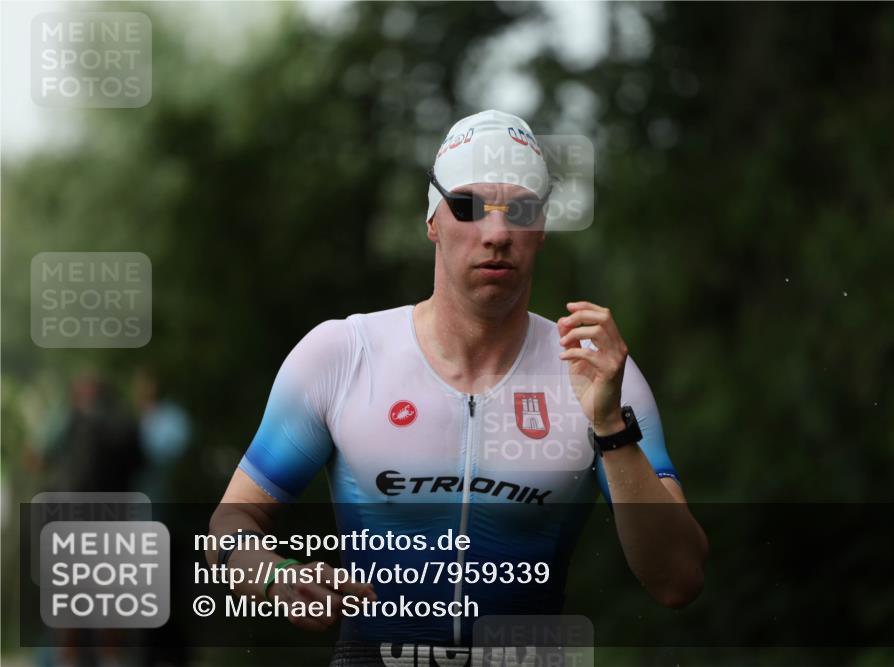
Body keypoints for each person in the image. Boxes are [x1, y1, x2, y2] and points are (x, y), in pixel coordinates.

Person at [208, 109, 708, 664]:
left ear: (540, 229)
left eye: (518, 211)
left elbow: (678, 580)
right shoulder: (343, 354)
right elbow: (230, 525)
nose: (496, 235)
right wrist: (277, 578)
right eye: (468, 208)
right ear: (432, 221)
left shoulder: (597, 373)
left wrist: (611, 429)